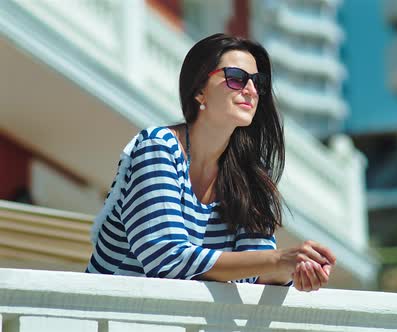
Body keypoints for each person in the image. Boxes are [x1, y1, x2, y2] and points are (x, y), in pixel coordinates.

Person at [86, 33, 336, 292]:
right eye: (237, 78)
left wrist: (290, 270)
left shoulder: (249, 172)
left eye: (257, 82)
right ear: (199, 91)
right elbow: (167, 260)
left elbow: (254, 273)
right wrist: (278, 259)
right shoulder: (158, 147)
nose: (251, 90)